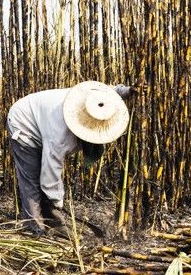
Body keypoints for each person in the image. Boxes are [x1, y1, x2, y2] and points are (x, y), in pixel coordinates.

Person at [7, 81, 134, 238]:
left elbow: (108, 93)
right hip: (23, 122)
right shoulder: (60, 135)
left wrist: (127, 91)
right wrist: (57, 201)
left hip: (43, 119)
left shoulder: (91, 98)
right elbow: (50, 174)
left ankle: (52, 222)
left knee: (46, 185)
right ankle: (34, 227)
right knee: (31, 178)